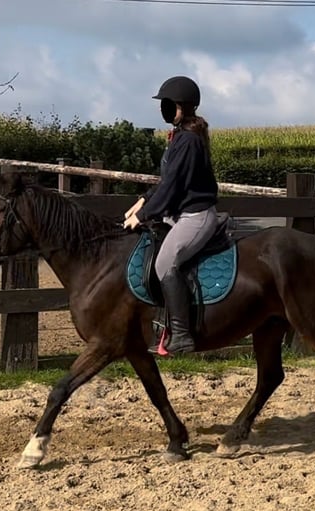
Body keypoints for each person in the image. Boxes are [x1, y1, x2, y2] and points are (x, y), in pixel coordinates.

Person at [123, 75, 219, 354]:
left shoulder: (188, 140)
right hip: (179, 214)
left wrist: (143, 215)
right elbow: (166, 182)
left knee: (165, 263)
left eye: (168, 105)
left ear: (183, 107)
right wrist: (142, 201)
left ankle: (182, 335)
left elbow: (174, 186)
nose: (163, 109)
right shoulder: (179, 137)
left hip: (195, 216)